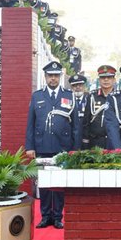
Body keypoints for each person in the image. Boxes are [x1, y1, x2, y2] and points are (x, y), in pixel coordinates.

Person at [25, 61, 74, 229]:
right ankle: (46, 216)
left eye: (56, 75)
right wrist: (29, 147)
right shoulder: (37, 96)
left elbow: (75, 124)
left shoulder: (69, 95)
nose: (53, 78)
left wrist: (74, 148)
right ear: (45, 77)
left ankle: (58, 216)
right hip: (42, 146)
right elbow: (30, 124)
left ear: (60, 77)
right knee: (44, 184)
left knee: (59, 185)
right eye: (50, 75)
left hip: (62, 147)